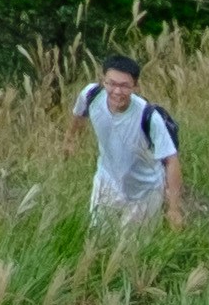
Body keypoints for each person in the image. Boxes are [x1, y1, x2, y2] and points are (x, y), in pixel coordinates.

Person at [73, 56, 185, 226]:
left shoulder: (149, 117)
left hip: (145, 192)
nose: (117, 91)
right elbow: (79, 114)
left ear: (135, 86)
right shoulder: (91, 95)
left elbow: (171, 159)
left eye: (124, 86)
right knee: (97, 241)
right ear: (103, 81)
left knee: (131, 248)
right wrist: (70, 140)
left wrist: (174, 209)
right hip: (107, 183)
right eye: (112, 83)